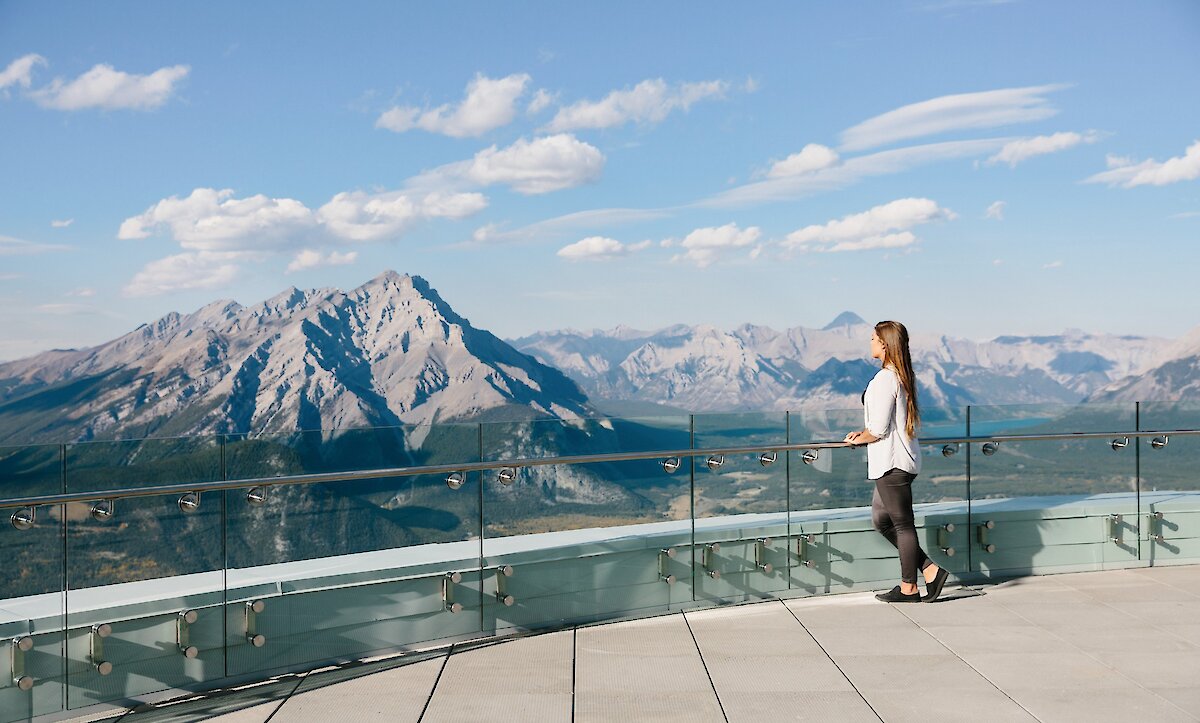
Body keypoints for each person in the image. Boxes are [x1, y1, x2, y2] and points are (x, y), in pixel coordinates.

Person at [843, 320, 950, 603]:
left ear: (884, 344)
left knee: (902, 525)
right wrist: (864, 433)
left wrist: (859, 437)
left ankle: (909, 588)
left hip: (892, 464)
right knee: (882, 520)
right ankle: (929, 570)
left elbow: (877, 429)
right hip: (899, 461)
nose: (870, 343)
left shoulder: (885, 380)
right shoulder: (899, 377)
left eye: (873, 339)